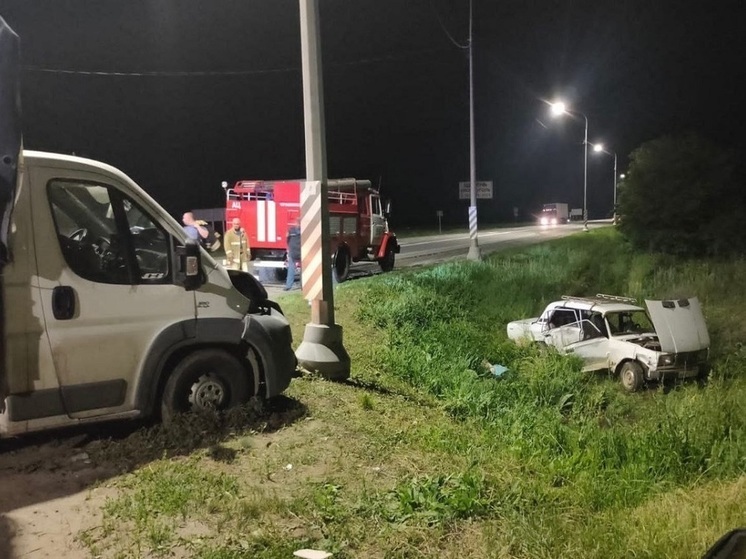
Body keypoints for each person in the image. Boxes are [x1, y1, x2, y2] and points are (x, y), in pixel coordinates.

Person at [284, 216, 301, 290]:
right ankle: (303, 285)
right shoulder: (305, 230)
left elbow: (287, 238)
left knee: (291, 269)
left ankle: (288, 286)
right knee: (304, 269)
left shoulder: (291, 230)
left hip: (293, 251)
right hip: (302, 251)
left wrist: (289, 247)